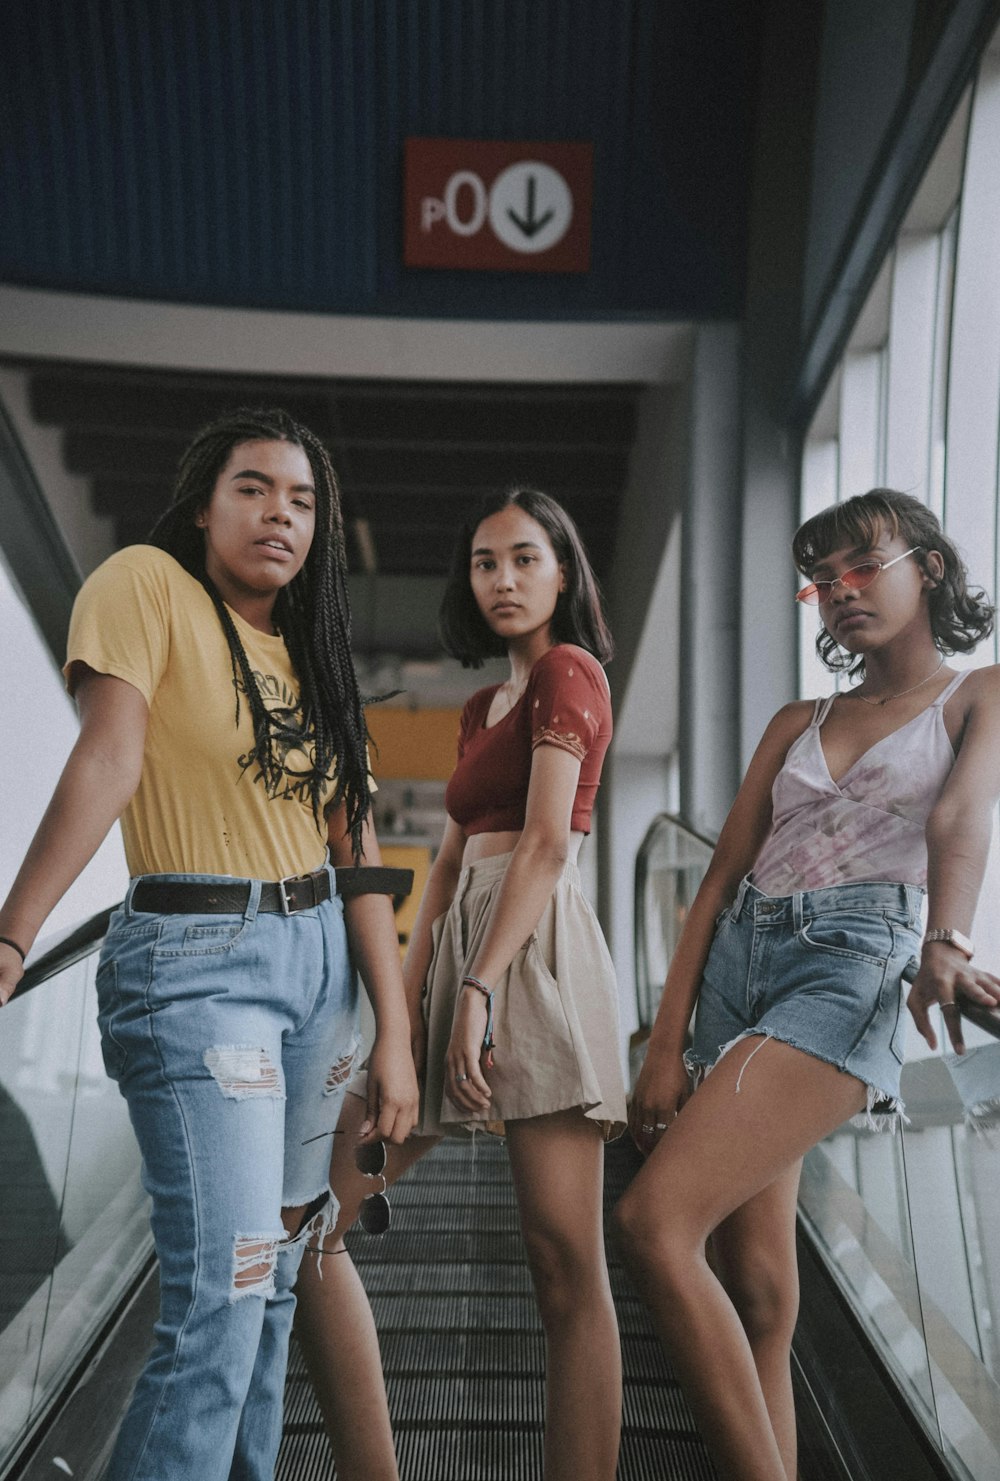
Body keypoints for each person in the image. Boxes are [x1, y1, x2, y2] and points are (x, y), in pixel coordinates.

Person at [0, 408, 419, 1481]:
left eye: (303, 498)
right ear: (202, 504)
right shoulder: (146, 585)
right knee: (227, 1287)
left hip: (321, 971)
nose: (281, 512)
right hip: (199, 961)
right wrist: (12, 933)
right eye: (254, 488)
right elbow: (108, 759)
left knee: (274, 1283)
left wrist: (395, 1032)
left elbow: (361, 858)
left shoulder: (318, 661)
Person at [614, 488, 1000, 1481]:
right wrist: (664, 1041)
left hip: (849, 965)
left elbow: (959, 818)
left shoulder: (976, 693)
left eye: (862, 565)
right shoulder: (799, 717)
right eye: (821, 580)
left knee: (654, 1224)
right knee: (755, 1288)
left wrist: (948, 941)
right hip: (740, 970)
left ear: (931, 566)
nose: (840, 591)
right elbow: (716, 878)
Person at [293, 487, 628, 1481]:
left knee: (563, 1263)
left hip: (534, 947)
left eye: (525, 558)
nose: (504, 579)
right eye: (485, 562)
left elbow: (543, 847)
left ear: (563, 570)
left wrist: (479, 988)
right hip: (458, 946)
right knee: (315, 1212)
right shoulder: (484, 704)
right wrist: (401, 1008)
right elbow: (443, 868)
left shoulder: (571, 671)